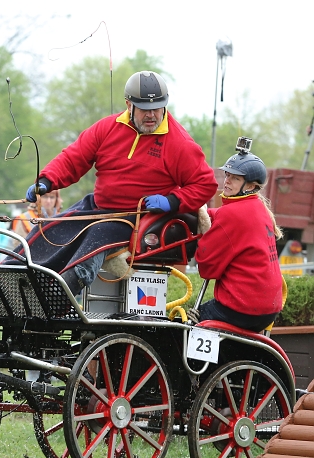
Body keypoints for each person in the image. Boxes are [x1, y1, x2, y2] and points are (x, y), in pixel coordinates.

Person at [16, 70, 217, 293]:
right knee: (49, 229)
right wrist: (46, 181)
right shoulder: (106, 128)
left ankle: (57, 297)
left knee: (96, 237)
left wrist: (172, 201)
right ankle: (13, 278)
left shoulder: (179, 143)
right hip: (97, 207)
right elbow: (74, 158)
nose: (151, 115)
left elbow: (205, 184)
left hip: (137, 217)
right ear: (129, 105)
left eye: (157, 108)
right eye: (144, 109)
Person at [192, 145, 284, 331]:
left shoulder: (233, 214)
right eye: (227, 175)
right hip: (267, 307)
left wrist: (200, 241)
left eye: (235, 178)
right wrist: (202, 214)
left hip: (244, 308)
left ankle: (196, 361)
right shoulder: (258, 208)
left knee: (189, 324)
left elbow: (206, 268)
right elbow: (219, 215)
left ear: (250, 185)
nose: (227, 181)